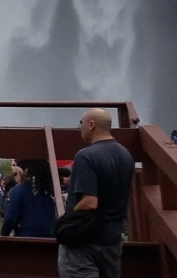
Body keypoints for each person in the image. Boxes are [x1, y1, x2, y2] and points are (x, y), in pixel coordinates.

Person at [58, 108, 135, 278]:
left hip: (84, 241)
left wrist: (64, 223)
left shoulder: (85, 156)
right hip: (112, 241)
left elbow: (90, 201)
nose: (79, 127)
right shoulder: (125, 155)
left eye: (81, 123)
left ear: (91, 125)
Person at [2, 159, 57, 238]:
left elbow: (10, 218)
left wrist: (4, 234)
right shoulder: (49, 189)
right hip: (50, 236)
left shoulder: (18, 191)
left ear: (24, 171)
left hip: (27, 236)